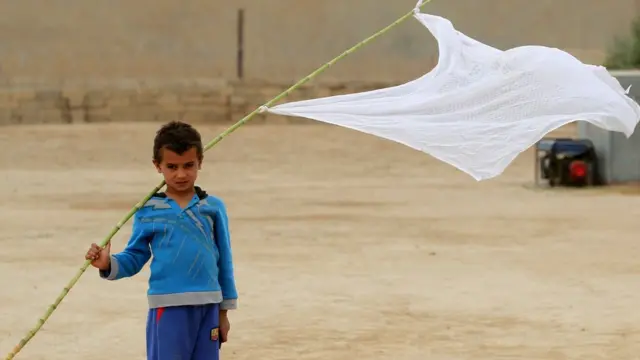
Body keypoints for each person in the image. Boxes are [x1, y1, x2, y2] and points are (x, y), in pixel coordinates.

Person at [85, 121, 239, 360]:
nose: (181, 174)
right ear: (158, 166)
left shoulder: (213, 207)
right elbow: (135, 256)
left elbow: (225, 260)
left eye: (189, 165)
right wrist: (107, 263)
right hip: (167, 307)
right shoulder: (148, 210)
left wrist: (224, 312)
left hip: (209, 305)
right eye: (172, 166)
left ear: (200, 161)